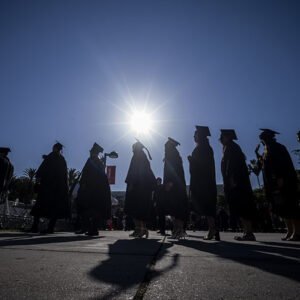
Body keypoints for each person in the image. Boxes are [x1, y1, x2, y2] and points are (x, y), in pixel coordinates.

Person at [256, 129, 300, 241]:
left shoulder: (278, 147)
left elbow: (282, 164)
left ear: (266, 138)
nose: (261, 142)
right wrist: (257, 155)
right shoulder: (267, 149)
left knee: (290, 206)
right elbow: (265, 164)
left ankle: (297, 232)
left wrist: (280, 178)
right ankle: (289, 230)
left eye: (262, 140)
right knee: (282, 208)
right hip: (273, 184)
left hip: (284, 182)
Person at [220, 130, 257, 241]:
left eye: (222, 137)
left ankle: (249, 233)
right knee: (240, 207)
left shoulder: (232, 147)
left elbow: (232, 165)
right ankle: (246, 232)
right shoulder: (230, 147)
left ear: (227, 137)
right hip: (236, 182)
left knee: (243, 206)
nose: (220, 139)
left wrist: (232, 179)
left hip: (237, 182)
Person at [188, 126, 220, 240]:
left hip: (203, 183)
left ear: (199, 136)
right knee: (208, 206)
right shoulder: (206, 147)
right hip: (207, 181)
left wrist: (191, 160)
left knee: (207, 207)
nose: (193, 137)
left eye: (195, 135)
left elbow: (201, 166)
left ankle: (212, 229)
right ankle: (214, 230)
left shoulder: (202, 148)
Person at [31, 142, 69, 233]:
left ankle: (35, 227)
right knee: (54, 209)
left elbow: (41, 170)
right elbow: (64, 176)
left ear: (55, 148)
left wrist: (37, 182)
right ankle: (50, 227)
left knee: (39, 206)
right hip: (57, 189)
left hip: (46, 187)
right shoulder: (62, 159)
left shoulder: (51, 156)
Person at [76, 143, 112, 236]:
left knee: (95, 210)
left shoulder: (96, 161)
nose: (90, 152)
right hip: (88, 189)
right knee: (84, 208)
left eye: (91, 151)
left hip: (94, 190)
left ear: (94, 152)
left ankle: (94, 229)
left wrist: (86, 185)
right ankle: (85, 228)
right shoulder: (92, 160)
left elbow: (96, 176)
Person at [124, 140, 156, 238]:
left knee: (135, 208)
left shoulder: (137, 156)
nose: (132, 150)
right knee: (142, 209)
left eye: (133, 147)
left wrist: (131, 184)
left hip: (137, 188)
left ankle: (139, 229)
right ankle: (143, 229)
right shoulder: (143, 157)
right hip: (144, 188)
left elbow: (134, 172)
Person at [163, 137, 188, 239]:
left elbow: (173, 170)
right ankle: (179, 231)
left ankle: (178, 231)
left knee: (176, 209)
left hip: (174, 185)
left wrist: (170, 182)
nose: (164, 147)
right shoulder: (174, 153)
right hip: (178, 185)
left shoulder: (172, 153)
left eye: (166, 146)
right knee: (177, 209)